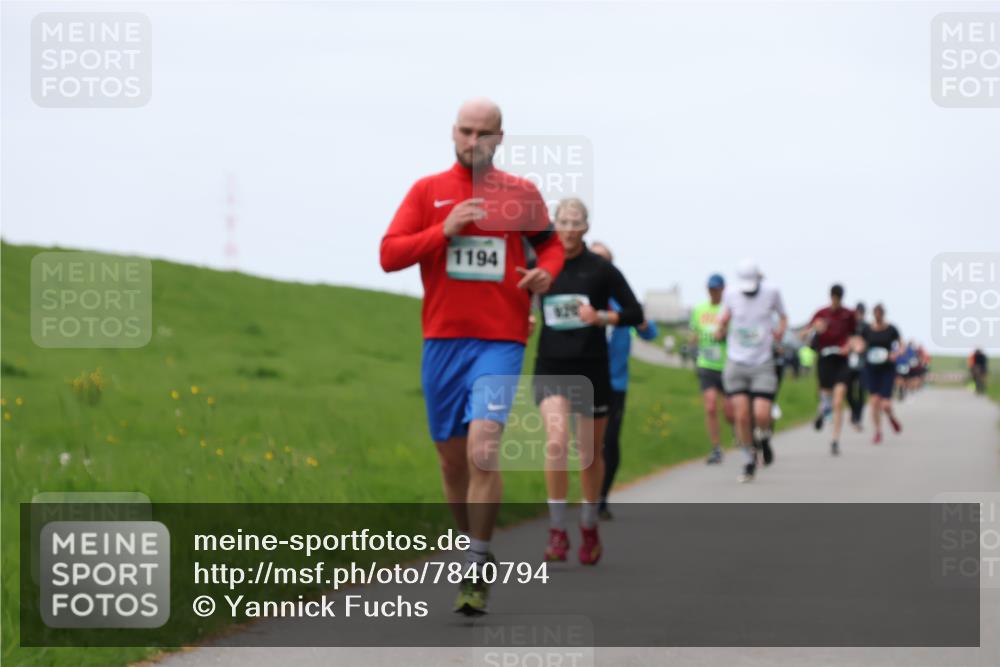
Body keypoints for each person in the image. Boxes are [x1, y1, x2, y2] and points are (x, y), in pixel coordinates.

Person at [380, 98, 564, 615]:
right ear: (453, 133)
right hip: (442, 341)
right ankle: (471, 545)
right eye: (465, 130)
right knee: (451, 460)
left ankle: (477, 562)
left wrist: (546, 273)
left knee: (484, 447)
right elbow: (389, 254)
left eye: (485, 133)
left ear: (500, 139)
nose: (473, 140)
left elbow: (549, 246)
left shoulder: (520, 193)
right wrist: (443, 230)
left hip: (501, 339)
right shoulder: (428, 192)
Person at [534, 199, 643, 564]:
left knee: (590, 454)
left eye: (574, 222)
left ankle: (589, 522)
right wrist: (524, 318)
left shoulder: (601, 270)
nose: (567, 228)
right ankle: (556, 529)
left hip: (592, 370)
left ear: (586, 227)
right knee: (556, 442)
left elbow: (635, 312)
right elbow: (517, 297)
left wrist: (601, 317)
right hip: (550, 366)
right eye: (562, 221)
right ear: (554, 223)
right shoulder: (542, 263)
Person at [589, 242, 658, 520]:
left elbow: (649, 332)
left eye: (603, 260)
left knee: (609, 441)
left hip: (615, 384)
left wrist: (639, 321)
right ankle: (585, 497)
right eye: (593, 258)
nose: (597, 264)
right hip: (581, 381)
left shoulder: (620, 302)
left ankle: (600, 498)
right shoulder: (579, 299)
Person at [714, 260, 788, 483]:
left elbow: (784, 317)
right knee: (742, 415)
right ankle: (748, 459)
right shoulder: (731, 294)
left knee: (762, 413)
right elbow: (723, 317)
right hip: (737, 362)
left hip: (762, 362)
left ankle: (763, 437)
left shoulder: (772, 292)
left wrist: (779, 333)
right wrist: (721, 328)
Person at [803, 284, 857, 456]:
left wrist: (849, 346)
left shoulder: (849, 315)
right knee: (826, 397)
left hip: (841, 360)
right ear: (830, 297)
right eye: (834, 298)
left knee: (838, 400)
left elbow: (855, 336)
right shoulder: (821, 313)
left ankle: (835, 440)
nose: (836, 301)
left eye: (838, 298)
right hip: (825, 360)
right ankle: (822, 412)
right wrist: (814, 329)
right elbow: (804, 334)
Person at [689, 273, 734, 464]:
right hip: (706, 364)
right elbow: (694, 332)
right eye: (710, 288)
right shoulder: (699, 310)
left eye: (716, 288)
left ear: (723, 289)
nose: (713, 292)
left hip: (727, 365)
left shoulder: (729, 309)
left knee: (730, 411)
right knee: (710, 405)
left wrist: (723, 333)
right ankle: (716, 447)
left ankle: (738, 429)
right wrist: (692, 342)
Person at [859, 304, 902, 443]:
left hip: (887, 368)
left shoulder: (891, 329)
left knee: (885, 404)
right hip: (871, 368)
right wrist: (859, 348)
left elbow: (902, 345)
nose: (878, 316)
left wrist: (896, 354)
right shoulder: (867, 330)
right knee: (874, 401)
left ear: (883, 314)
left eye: (880, 314)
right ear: (873, 314)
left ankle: (891, 418)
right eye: (875, 314)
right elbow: (860, 343)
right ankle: (877, 431)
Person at [845, 303, 867, 431]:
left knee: (860, 391)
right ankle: (853, 410)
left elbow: (870, 342)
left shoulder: (866, 327)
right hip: (849, 363)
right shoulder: (849, 326)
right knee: (848, 391)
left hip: (862, 364)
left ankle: (858, 416)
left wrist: (863, 346)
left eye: (861, 313)